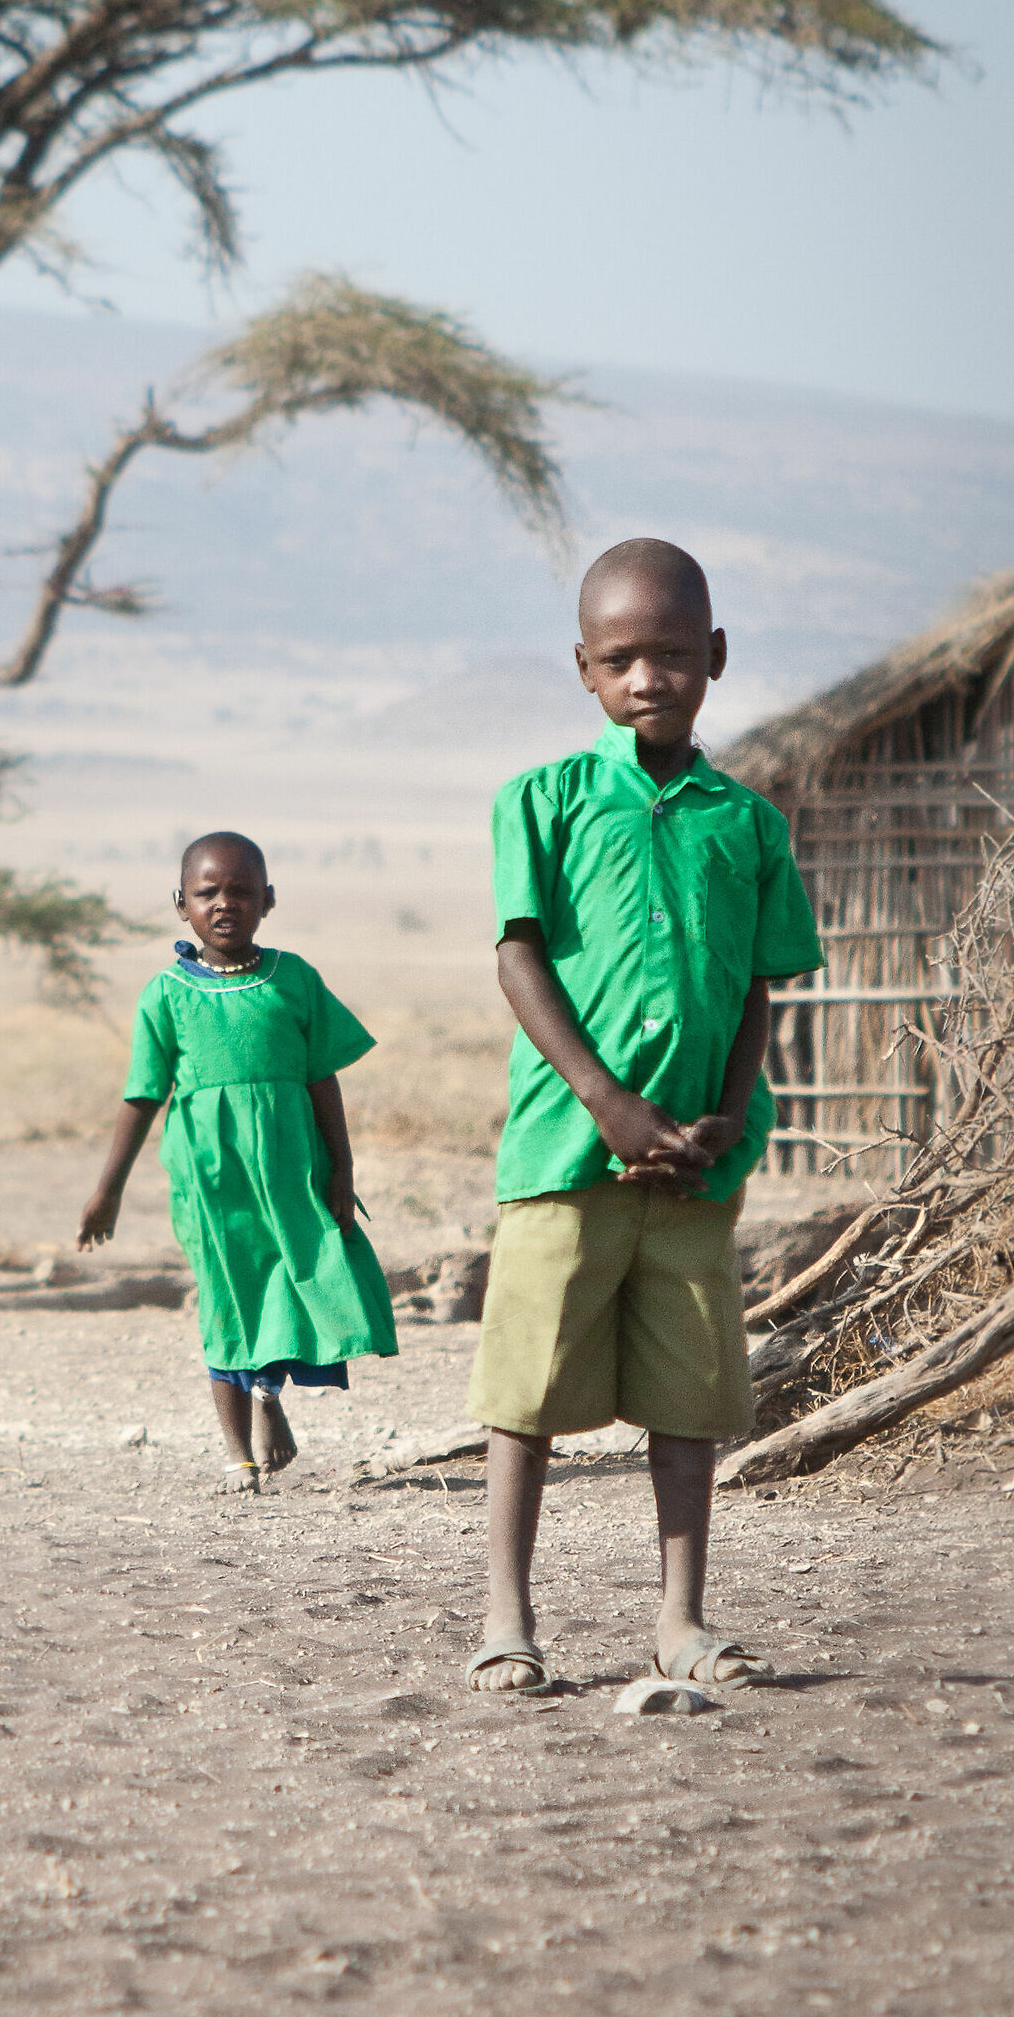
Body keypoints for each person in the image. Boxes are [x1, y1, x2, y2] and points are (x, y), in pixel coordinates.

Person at [465, 539, 823, 1695]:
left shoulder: (748, 824)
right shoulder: (543, 802)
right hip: (568, 1156)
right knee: (524, 1398)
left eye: (672, 655)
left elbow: (758, 983)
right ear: (583, 668)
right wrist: (608, 1104)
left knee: (687, 1400)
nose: (647, 678)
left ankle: (681, 1620)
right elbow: (520, 962)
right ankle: (506, 1620)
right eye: (620, 658)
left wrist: (729, 1110)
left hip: (696, 1173)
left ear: (713, 657)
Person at [78, 831, 398, 1493]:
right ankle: (237, 1455)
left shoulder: (296, 978)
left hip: (292, 1171)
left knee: (293, 1281)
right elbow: (142, 1096)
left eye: (242, 891)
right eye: (208, 892)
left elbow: (322, 1080)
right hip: (211, 1179)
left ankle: (267, 1392)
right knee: (227, 1298)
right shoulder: (165, 994)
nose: (225, 904)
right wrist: (107, 1190)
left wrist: (344, 1172)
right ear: (181, 904)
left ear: (268, 901)